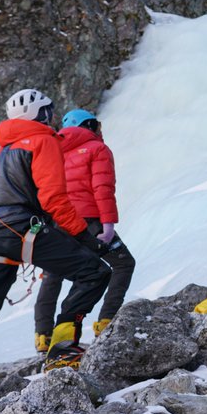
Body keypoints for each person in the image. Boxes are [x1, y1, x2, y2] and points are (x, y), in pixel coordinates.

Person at [0, 90, 110, 371]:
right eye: (48, 110)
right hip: (22, 230)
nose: (52, 116)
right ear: (39, 114)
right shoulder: (43, 141)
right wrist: (82, 235)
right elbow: (53, 198)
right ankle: (63, 348)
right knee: (95, 272)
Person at [32, 109, 135, 353]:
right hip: (89, 220)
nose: (100, 129)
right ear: (88, 125)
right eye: (97, 125)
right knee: (122, 264)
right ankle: (107, 321)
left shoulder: (52, 150)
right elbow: (102, 188)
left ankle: (44, 335)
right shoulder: (96, 148)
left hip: (58, 221)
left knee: (53, 274)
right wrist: (108, 224)